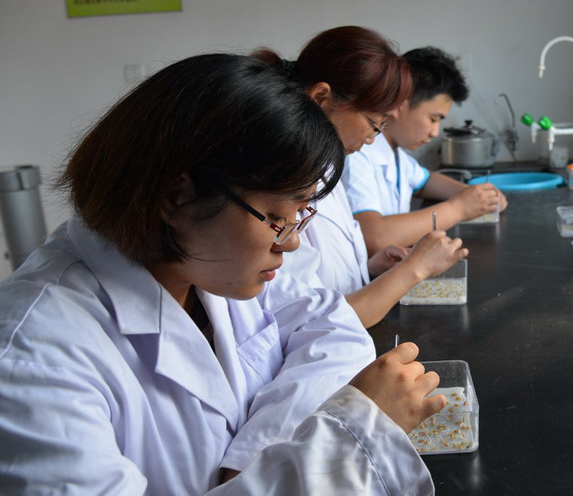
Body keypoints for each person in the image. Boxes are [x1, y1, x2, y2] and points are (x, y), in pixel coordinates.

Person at [0, 54, 445, 495]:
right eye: (276, 216)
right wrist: (353, 438)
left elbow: (333, 324)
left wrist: (250, 461)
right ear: (174, 196)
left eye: (299, 214)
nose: (291, 242)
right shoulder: (33, 358)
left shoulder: (208, 264)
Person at [253, 27, 467, 328]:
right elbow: (309, 321)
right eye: (374, 124)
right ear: (322, 97)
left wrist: (368, 268)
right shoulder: (283, 183)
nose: (371, 139)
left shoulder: (328, 166)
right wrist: (414, 270)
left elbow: (327, 279)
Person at [342, 46, 509, 256]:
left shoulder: (395, 153)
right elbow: (374, 238)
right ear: (399, 104)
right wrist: (459, 208)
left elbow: (425, 181)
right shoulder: (358, 154)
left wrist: (476, 196)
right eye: (433, 119)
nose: (434, 132)